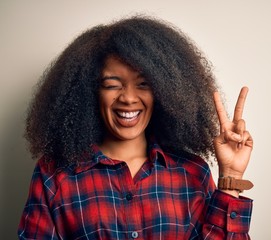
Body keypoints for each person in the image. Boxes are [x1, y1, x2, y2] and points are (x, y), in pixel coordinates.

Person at [18, 15, 254, 239]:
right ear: (90, 91)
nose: (128, 98)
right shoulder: (54, 175)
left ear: (163, 91)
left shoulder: (192, 173)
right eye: (112, 85)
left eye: (143, 84)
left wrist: (231, 178)